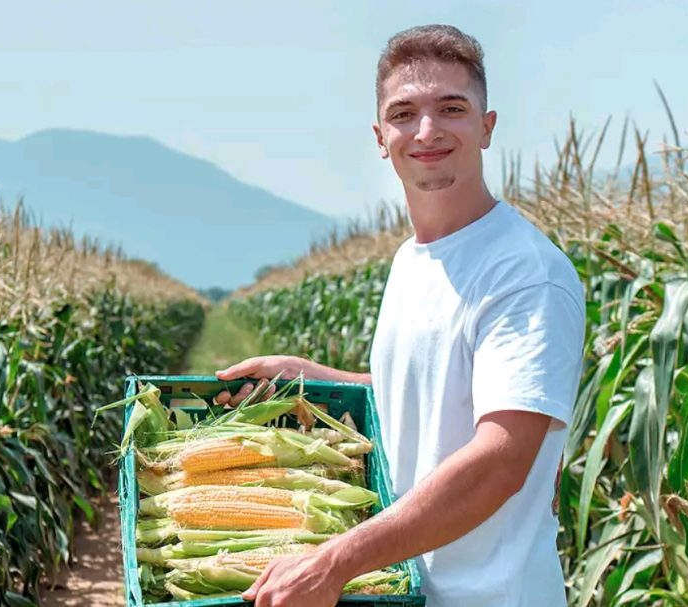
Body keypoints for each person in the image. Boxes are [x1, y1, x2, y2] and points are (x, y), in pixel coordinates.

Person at [213, 24, 585, 607]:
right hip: (412, 590)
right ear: (381, 137)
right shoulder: (412, 260)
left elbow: (501, 459)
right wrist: (313, 378)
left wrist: (335, 561)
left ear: (487, 127)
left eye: (452, 108)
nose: (427, 131)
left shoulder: (524, 272)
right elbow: (430, 397)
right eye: (404, 113)